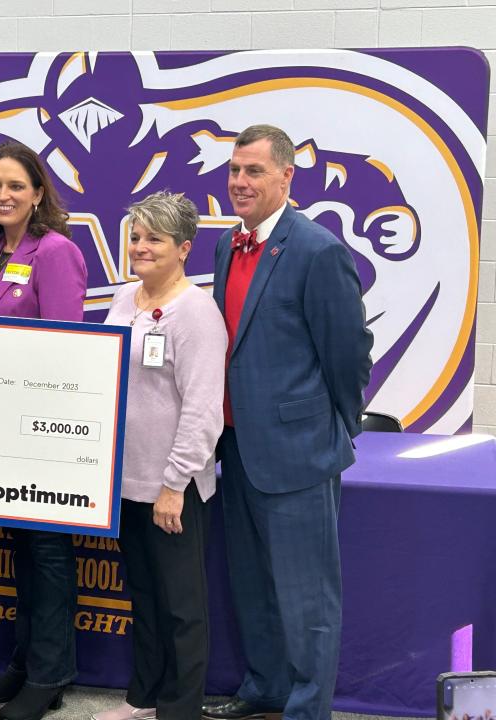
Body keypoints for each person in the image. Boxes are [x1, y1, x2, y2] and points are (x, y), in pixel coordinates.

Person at [203, 125, 373, 720]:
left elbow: (348, 352)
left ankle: (306, 710)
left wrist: (335, 426)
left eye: (253, 171)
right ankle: (266, 688)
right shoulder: (228, 245)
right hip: (239, 450)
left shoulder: (317, 248)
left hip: (299, 451)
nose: (240, 182)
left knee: (307, 599)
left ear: (285, 178)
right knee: (252, 586)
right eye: (233, 171)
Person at [95, 191, 227, 720]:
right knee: (145, 598)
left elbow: (202, 410)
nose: (141, 247)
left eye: (154, 239)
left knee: (182, 607)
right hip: (126, 480)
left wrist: (174, 484)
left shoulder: (196, 313)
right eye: (135, 236)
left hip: (174, 488)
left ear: (184, 248)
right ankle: (143, 698)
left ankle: (180, 708)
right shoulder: (125, 300)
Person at [0, 142, 87, 720]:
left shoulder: (56, 251)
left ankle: (51, 674)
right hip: (3, 427)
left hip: (47, 426)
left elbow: (66, 351)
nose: (4, 195)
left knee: (47, 552)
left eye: (16, 185)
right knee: (21, 549)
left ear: (38, 192)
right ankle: (23, 662)